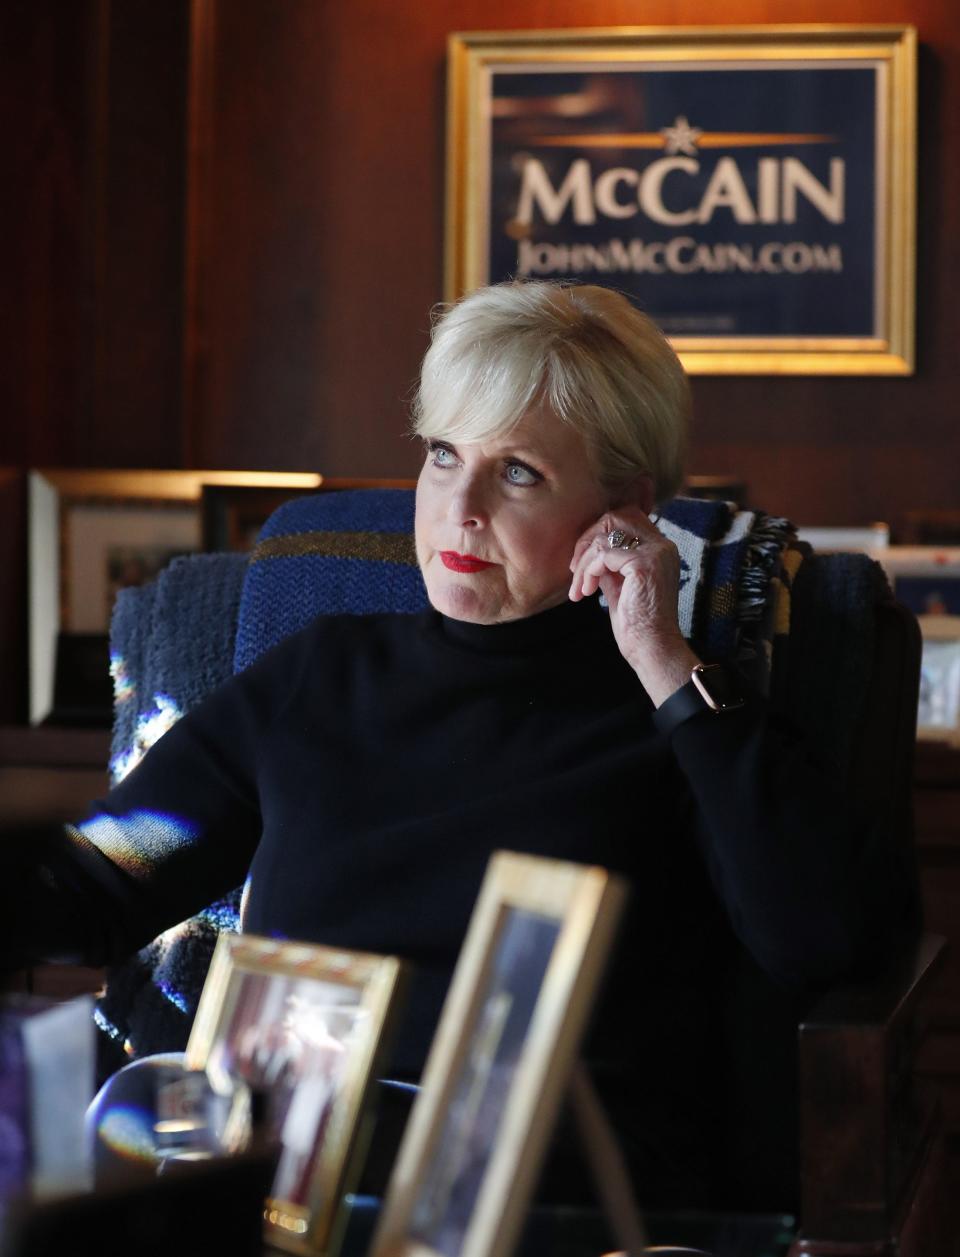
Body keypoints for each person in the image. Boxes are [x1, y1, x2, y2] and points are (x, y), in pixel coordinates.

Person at [5, 280, 913, 1208]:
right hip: (295, 1189)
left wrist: (666, 664)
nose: (460, 505)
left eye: (517, 470)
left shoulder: (685, 715)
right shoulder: (320, 676)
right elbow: (99, 884)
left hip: (549, 1201)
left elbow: (824, 943)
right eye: (444, 454)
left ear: (627, 508)